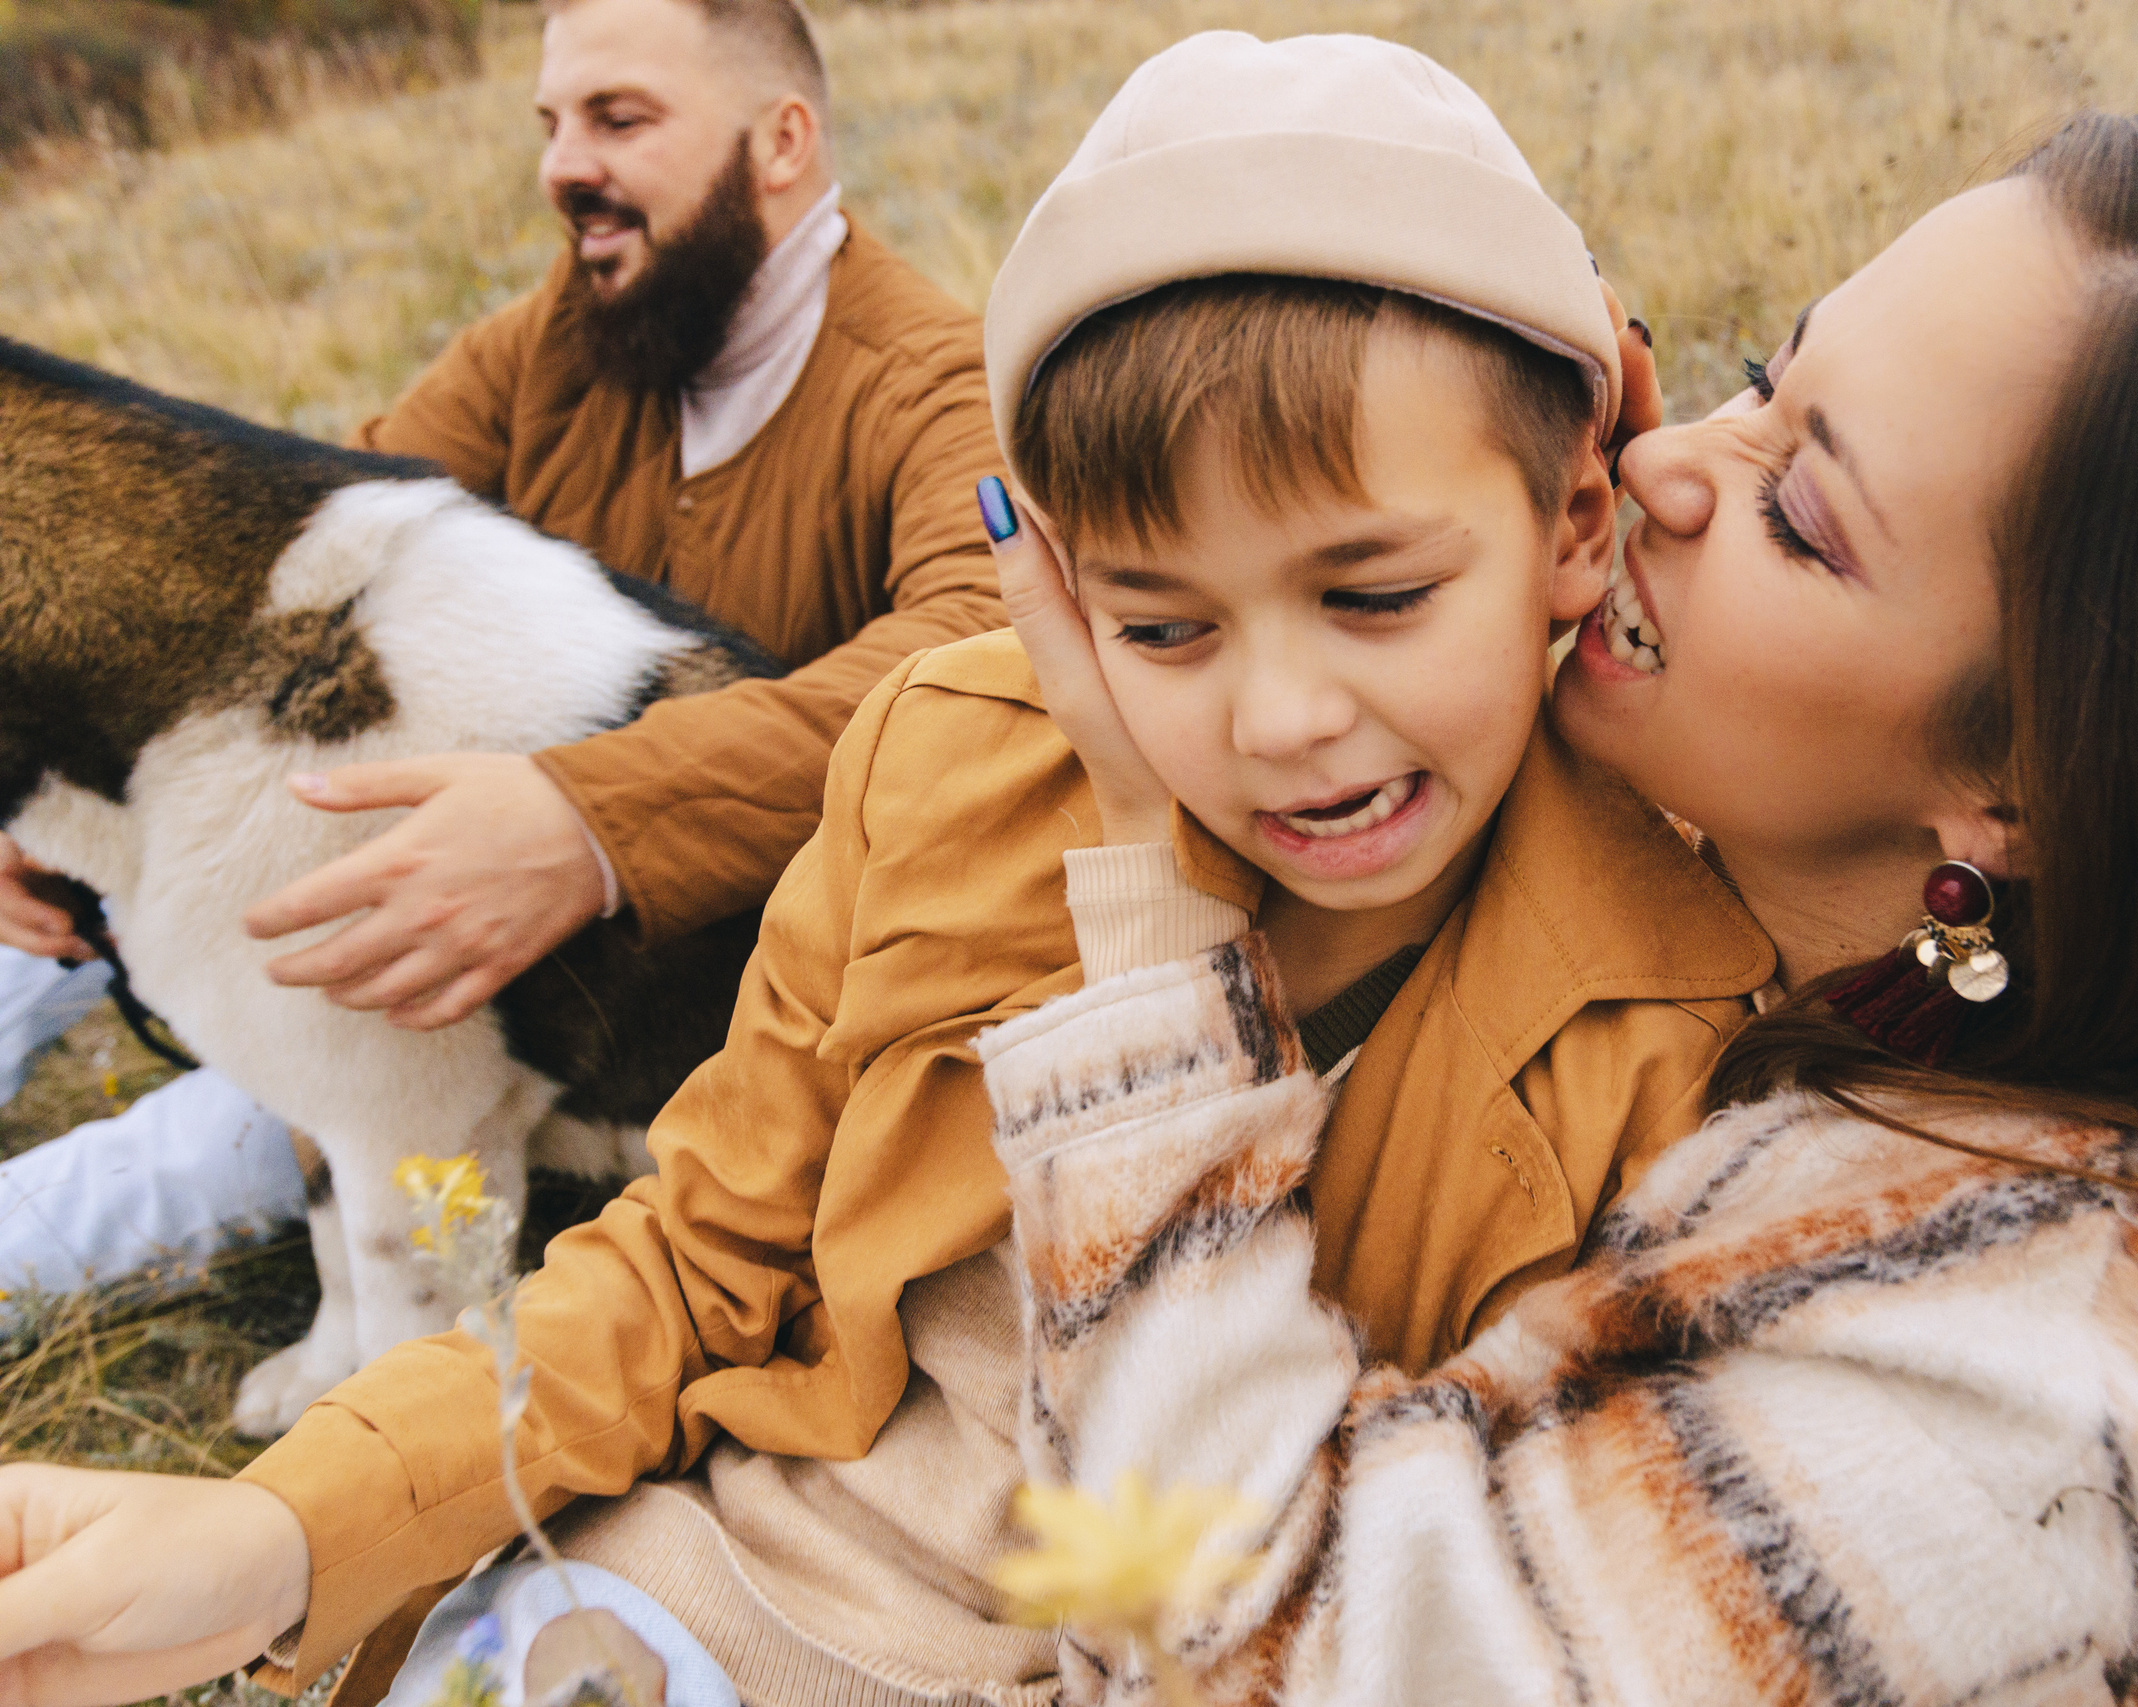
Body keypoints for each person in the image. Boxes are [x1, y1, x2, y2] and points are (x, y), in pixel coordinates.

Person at [0, 33, 1754, 1707]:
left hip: (1084, 1582)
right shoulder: (591, 386)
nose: (1286, 717)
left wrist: (595, 814)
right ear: (1075, 591)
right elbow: (700, 1257)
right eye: (1160, 621)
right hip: (690, 1512)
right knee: (244, 1116)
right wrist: (299, 1520)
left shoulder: (1684, 997)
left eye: (1376, 594)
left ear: (1575, 526)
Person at [975, 114, 2138, 1705]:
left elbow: (1247, 1657)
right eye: (1762, 378)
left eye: (1800, 515)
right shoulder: (1877, 999)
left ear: (2026, 790)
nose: (1660, 470)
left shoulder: (2060, 1390)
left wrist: (1155, 902)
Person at [0, 0, 1003, 1302]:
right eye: (552, 125)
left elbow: (976, 654)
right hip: (379, 867)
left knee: (214, 1135)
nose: (564, 165)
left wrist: (588, 816)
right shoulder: (552, 345)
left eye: (620, 119)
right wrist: (55, 797)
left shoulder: (937, 387)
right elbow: (316, 545)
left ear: (783, 140)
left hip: (583, 1007)